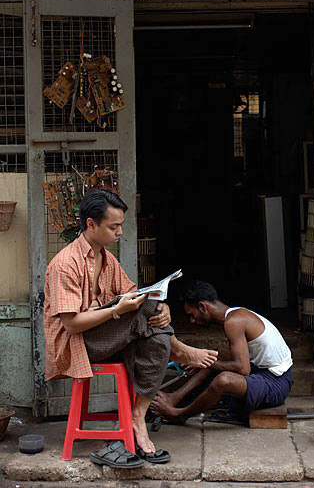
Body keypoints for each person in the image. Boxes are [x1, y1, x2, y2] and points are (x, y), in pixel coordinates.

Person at [44, 191, 218, 467]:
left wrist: (164, 310)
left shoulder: (107, 260)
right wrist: (116, 310)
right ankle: (182, 352)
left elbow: (137, 295)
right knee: (143, 312)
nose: (120, 232)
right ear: (91, 224)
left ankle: (138, 417)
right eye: (113, 226)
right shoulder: (65, 264)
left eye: (120, 225)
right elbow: (71, 323)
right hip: (76, 345)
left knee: (157, 333)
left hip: (105, 338)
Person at [150, 280, 293, 424]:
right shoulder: (236, 313)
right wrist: (204, 360)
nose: (192, 321)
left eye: (192, 315)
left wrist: (201, 361)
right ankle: (174, 397)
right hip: (266, 373)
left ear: (202, 306)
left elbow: (243, 369)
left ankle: (179, 414)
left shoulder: (233, 322)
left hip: (276, 384)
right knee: (216, 354)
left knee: (223, 380)